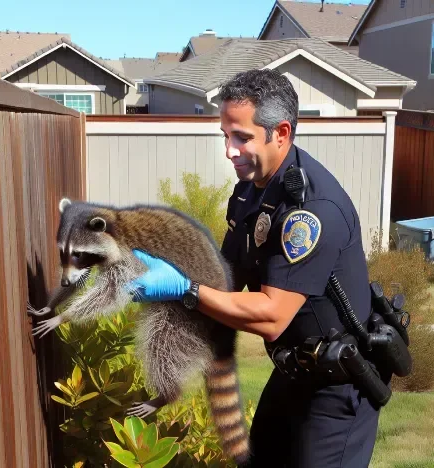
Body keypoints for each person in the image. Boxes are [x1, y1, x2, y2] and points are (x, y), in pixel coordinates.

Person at [128, 68, 381, 467]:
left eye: (241, 138)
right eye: (226, 136)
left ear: (280, 133)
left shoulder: (311, 211)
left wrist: (187, 290)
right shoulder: (251, 191)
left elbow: (271, 316)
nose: (229, 150)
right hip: (294, 373)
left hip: (337, 391)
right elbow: (227, 280)